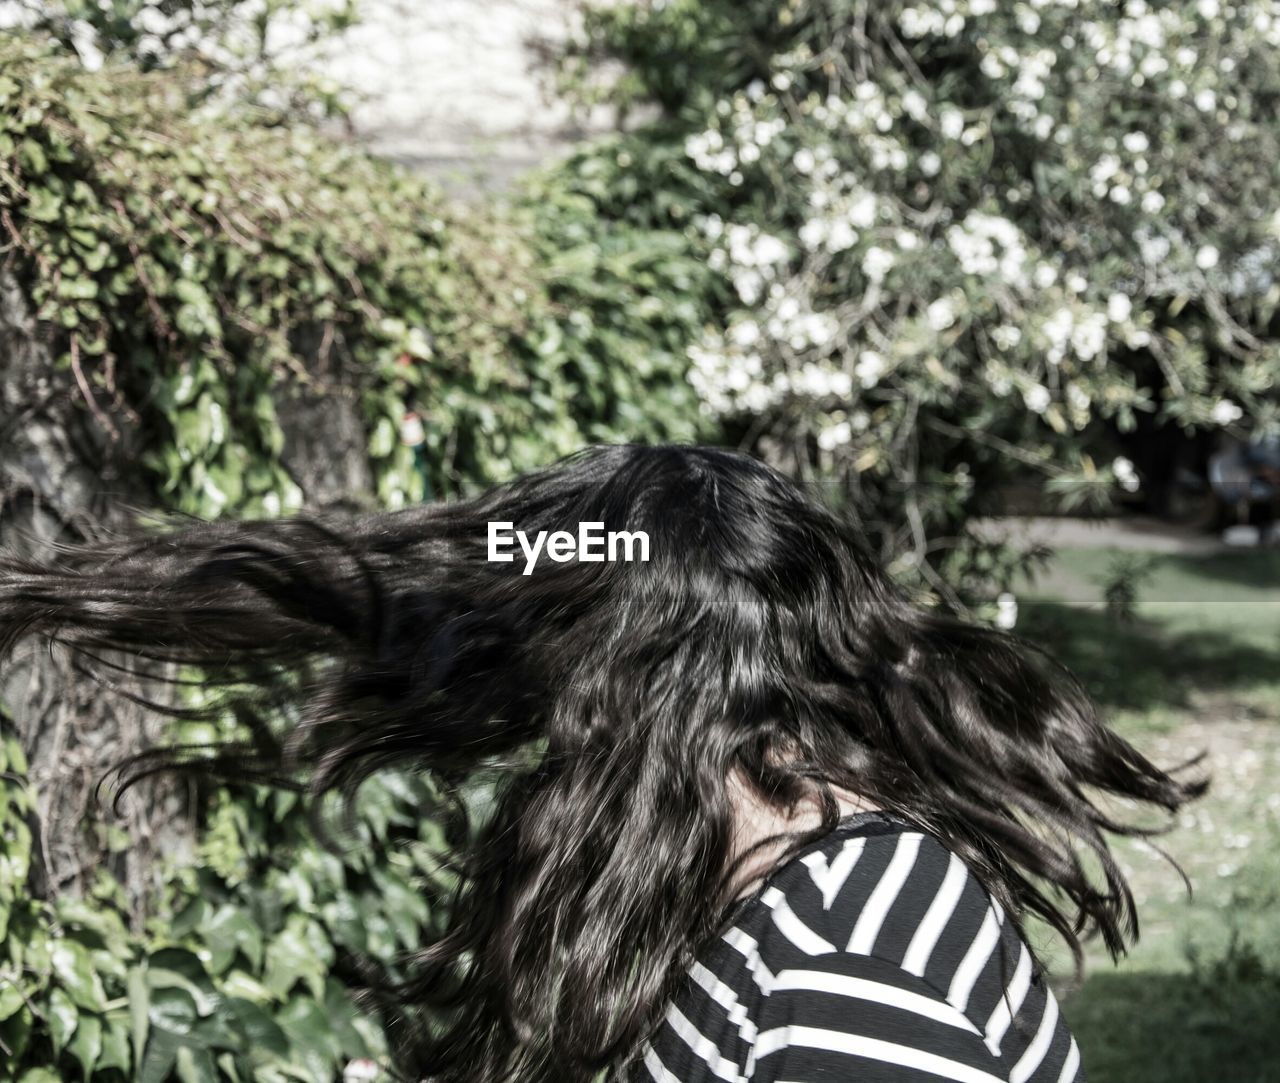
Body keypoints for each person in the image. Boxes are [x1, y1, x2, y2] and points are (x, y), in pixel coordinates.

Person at [0, 444, 1205, 1082]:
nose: (531, 708)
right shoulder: (749, 867)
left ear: (614, 685)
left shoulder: (850, 955)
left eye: (548, 651)